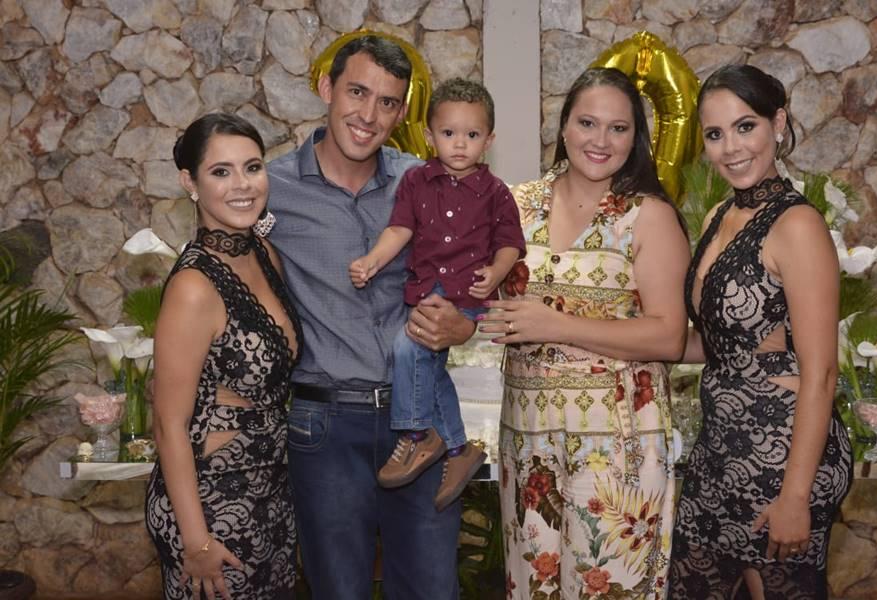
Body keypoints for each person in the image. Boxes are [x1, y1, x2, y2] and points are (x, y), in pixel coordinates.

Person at [265, 35, 475, 599]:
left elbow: (469, 269)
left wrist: (465, 325)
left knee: (432, 590)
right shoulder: (270, 192)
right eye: (357, 92)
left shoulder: (426, 182)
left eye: (387, 102)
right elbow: (234, 271)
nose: (368, 115)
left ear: (401, 113)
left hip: (421, 424)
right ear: (326, 88)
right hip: (325, 426)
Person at [478, 67, 690, 599]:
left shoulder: (648, 216)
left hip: (618, 448)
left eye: (618, 128)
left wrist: (557, 325)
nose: (601, 140)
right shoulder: (514, 204)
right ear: (564, 126)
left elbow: (669, 336)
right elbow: (473, 289)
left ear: (635, 138)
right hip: (527, 440)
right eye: (588, 123)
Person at [667, 64, 853, 599]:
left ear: (778, 123)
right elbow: (720, 346)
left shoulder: (797, 225)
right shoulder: (718, 217)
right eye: (715, 134)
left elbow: (821, 372)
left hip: (782, 456)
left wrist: (795, 496)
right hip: (719, 450)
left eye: (745, 126)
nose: (731, 148)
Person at [145, 113, 302, 600]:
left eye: (252, 167)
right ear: (190, 183)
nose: (243, 185)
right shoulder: (194, 286)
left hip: (271, 494)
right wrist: (195, 542)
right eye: (221, 171)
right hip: (211, 505)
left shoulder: (265, 255)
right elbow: (168, 424)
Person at [349, 78, 525, 510]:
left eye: (472, 134)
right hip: (427, 286)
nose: (460, 144)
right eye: (449, 133)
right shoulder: (416, 181)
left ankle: (415, 434)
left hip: (466, 290)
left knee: (406, 348)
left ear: (489, 140)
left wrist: (496, 272)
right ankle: (458, 448)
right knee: (427, 366)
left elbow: (510, 243)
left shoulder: (496, 192)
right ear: (430, 136)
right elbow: (399, 229)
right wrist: (373, 260)